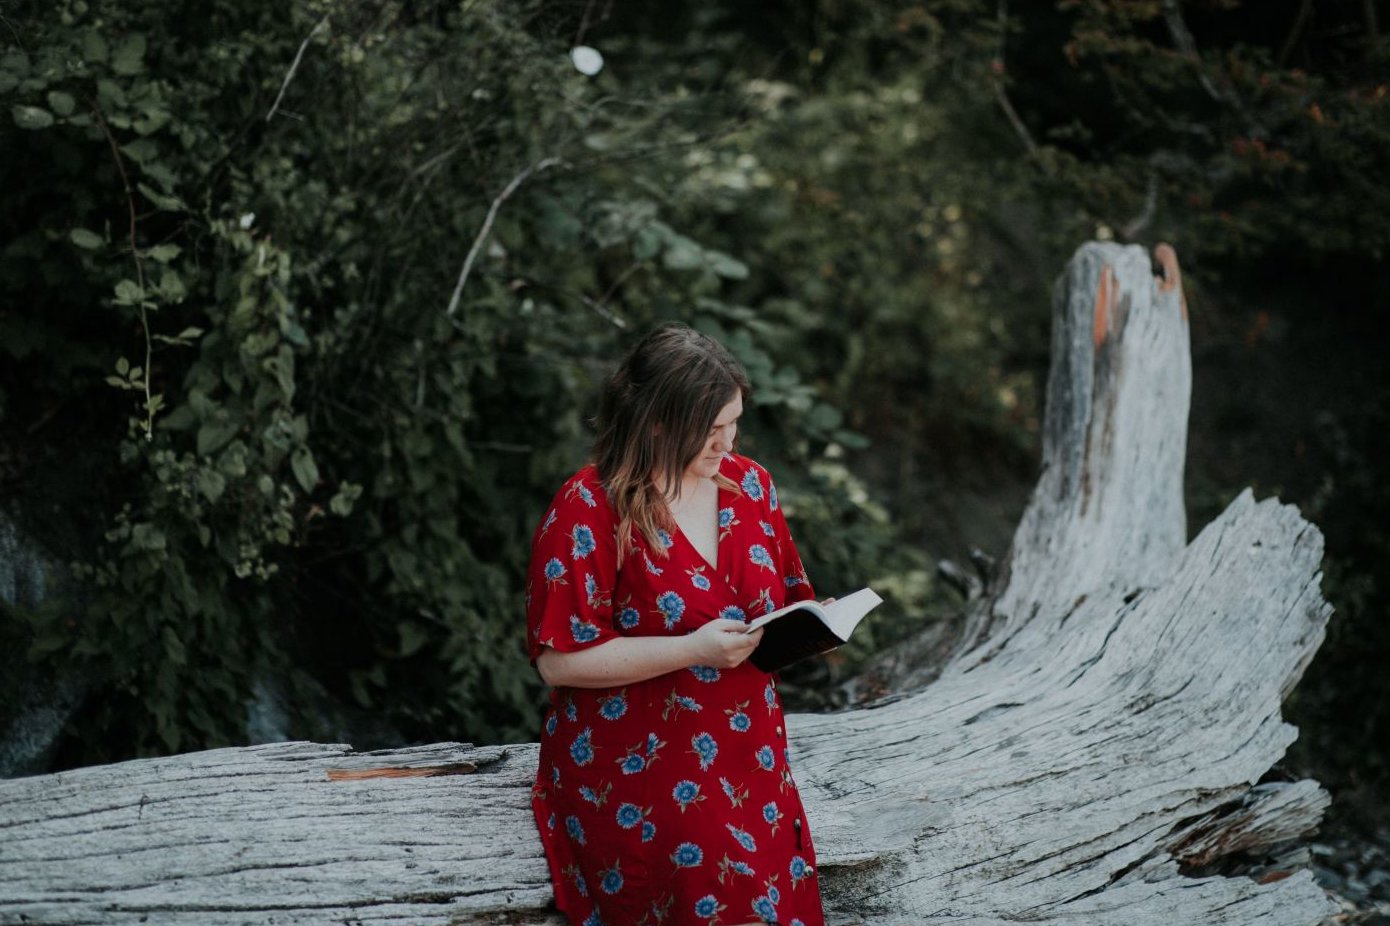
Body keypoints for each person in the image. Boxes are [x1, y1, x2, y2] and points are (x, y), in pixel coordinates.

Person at [526, 323, 827, 926]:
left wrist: (810, 631)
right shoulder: (590, 505)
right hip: (640, 760)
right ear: (658, 422)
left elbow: (786, 602)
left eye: (733, 422)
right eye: (711, 430)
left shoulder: (752, 485)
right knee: (714, 892)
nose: (728, 441)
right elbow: (556, 662)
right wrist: (691, 649)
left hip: (751, 753)